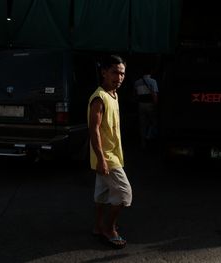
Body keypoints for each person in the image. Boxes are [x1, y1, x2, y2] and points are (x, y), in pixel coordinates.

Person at [87, 54, 132, 249]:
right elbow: (94, 129)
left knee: (102, 194)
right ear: (104, 72)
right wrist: (102, 159)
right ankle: (109, 228)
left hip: (112, 155)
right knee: (124, 194)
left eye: (122, 73)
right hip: (106, 157)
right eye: (115, 72)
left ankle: (98, 227)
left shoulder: (114, 94)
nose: (119, 77)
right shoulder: (99, 97)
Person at [133, 66, 159, 148]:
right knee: (154, 122)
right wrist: (156, 104)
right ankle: (149, 137)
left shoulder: (137, 82)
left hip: (141, 105)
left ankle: (143, 143)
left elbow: (135, 94)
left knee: (142, 124)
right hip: (150, 104)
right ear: (150, 72)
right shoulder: (153, 81)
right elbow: (154, 95)